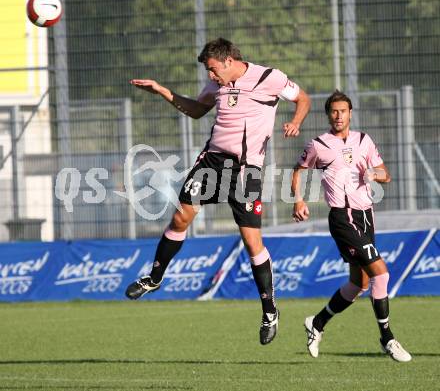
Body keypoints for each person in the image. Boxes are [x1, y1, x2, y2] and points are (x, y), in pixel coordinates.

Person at [125, 37, 311, 345]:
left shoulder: (269, 78)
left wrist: (295, 121)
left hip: (247, 170)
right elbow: (197, 110)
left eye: (213, 70)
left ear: (227, 61)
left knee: (253, 243)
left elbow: (303, 98)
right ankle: (154, 278)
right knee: (180, 219)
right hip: (213, 161)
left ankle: (269, 312)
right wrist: (162, 92)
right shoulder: (217, 85)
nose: (211, 77)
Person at [291, 90, 411, 362]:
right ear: (328, 115)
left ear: (350, 113)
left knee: (359, 283)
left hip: (366, 216)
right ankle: (388, 338)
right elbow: (298, 170)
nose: (338, 116)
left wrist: (372, 174)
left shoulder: (363, 140)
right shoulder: (319, 144)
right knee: (381, 275)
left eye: (343, 111)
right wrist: (298, 201)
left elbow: (386, 175)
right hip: (343, 218)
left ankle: (317, 323)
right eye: (334, 111)